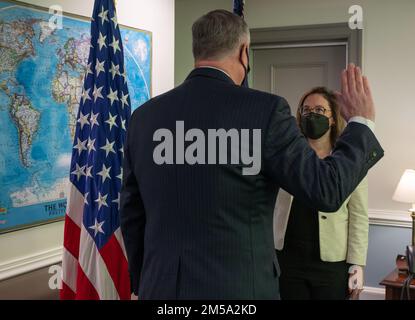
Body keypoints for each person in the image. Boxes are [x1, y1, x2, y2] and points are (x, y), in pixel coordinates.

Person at [120, 9, 383, 299]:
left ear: (198, 50)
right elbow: (327, 188)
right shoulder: (265, 112)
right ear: (244, 52)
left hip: (162, 290)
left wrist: (143, 282)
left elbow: (132, 213)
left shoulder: (144, 118)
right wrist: (361, 123)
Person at [274, 87, 368, 300]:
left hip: (331, 263)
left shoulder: (348, 162)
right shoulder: (288, 156)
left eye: (319, 109)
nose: (311, 115)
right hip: (288, 259)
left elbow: (359, 217)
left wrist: (357, 264)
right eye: (306, 110)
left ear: (333, 118)